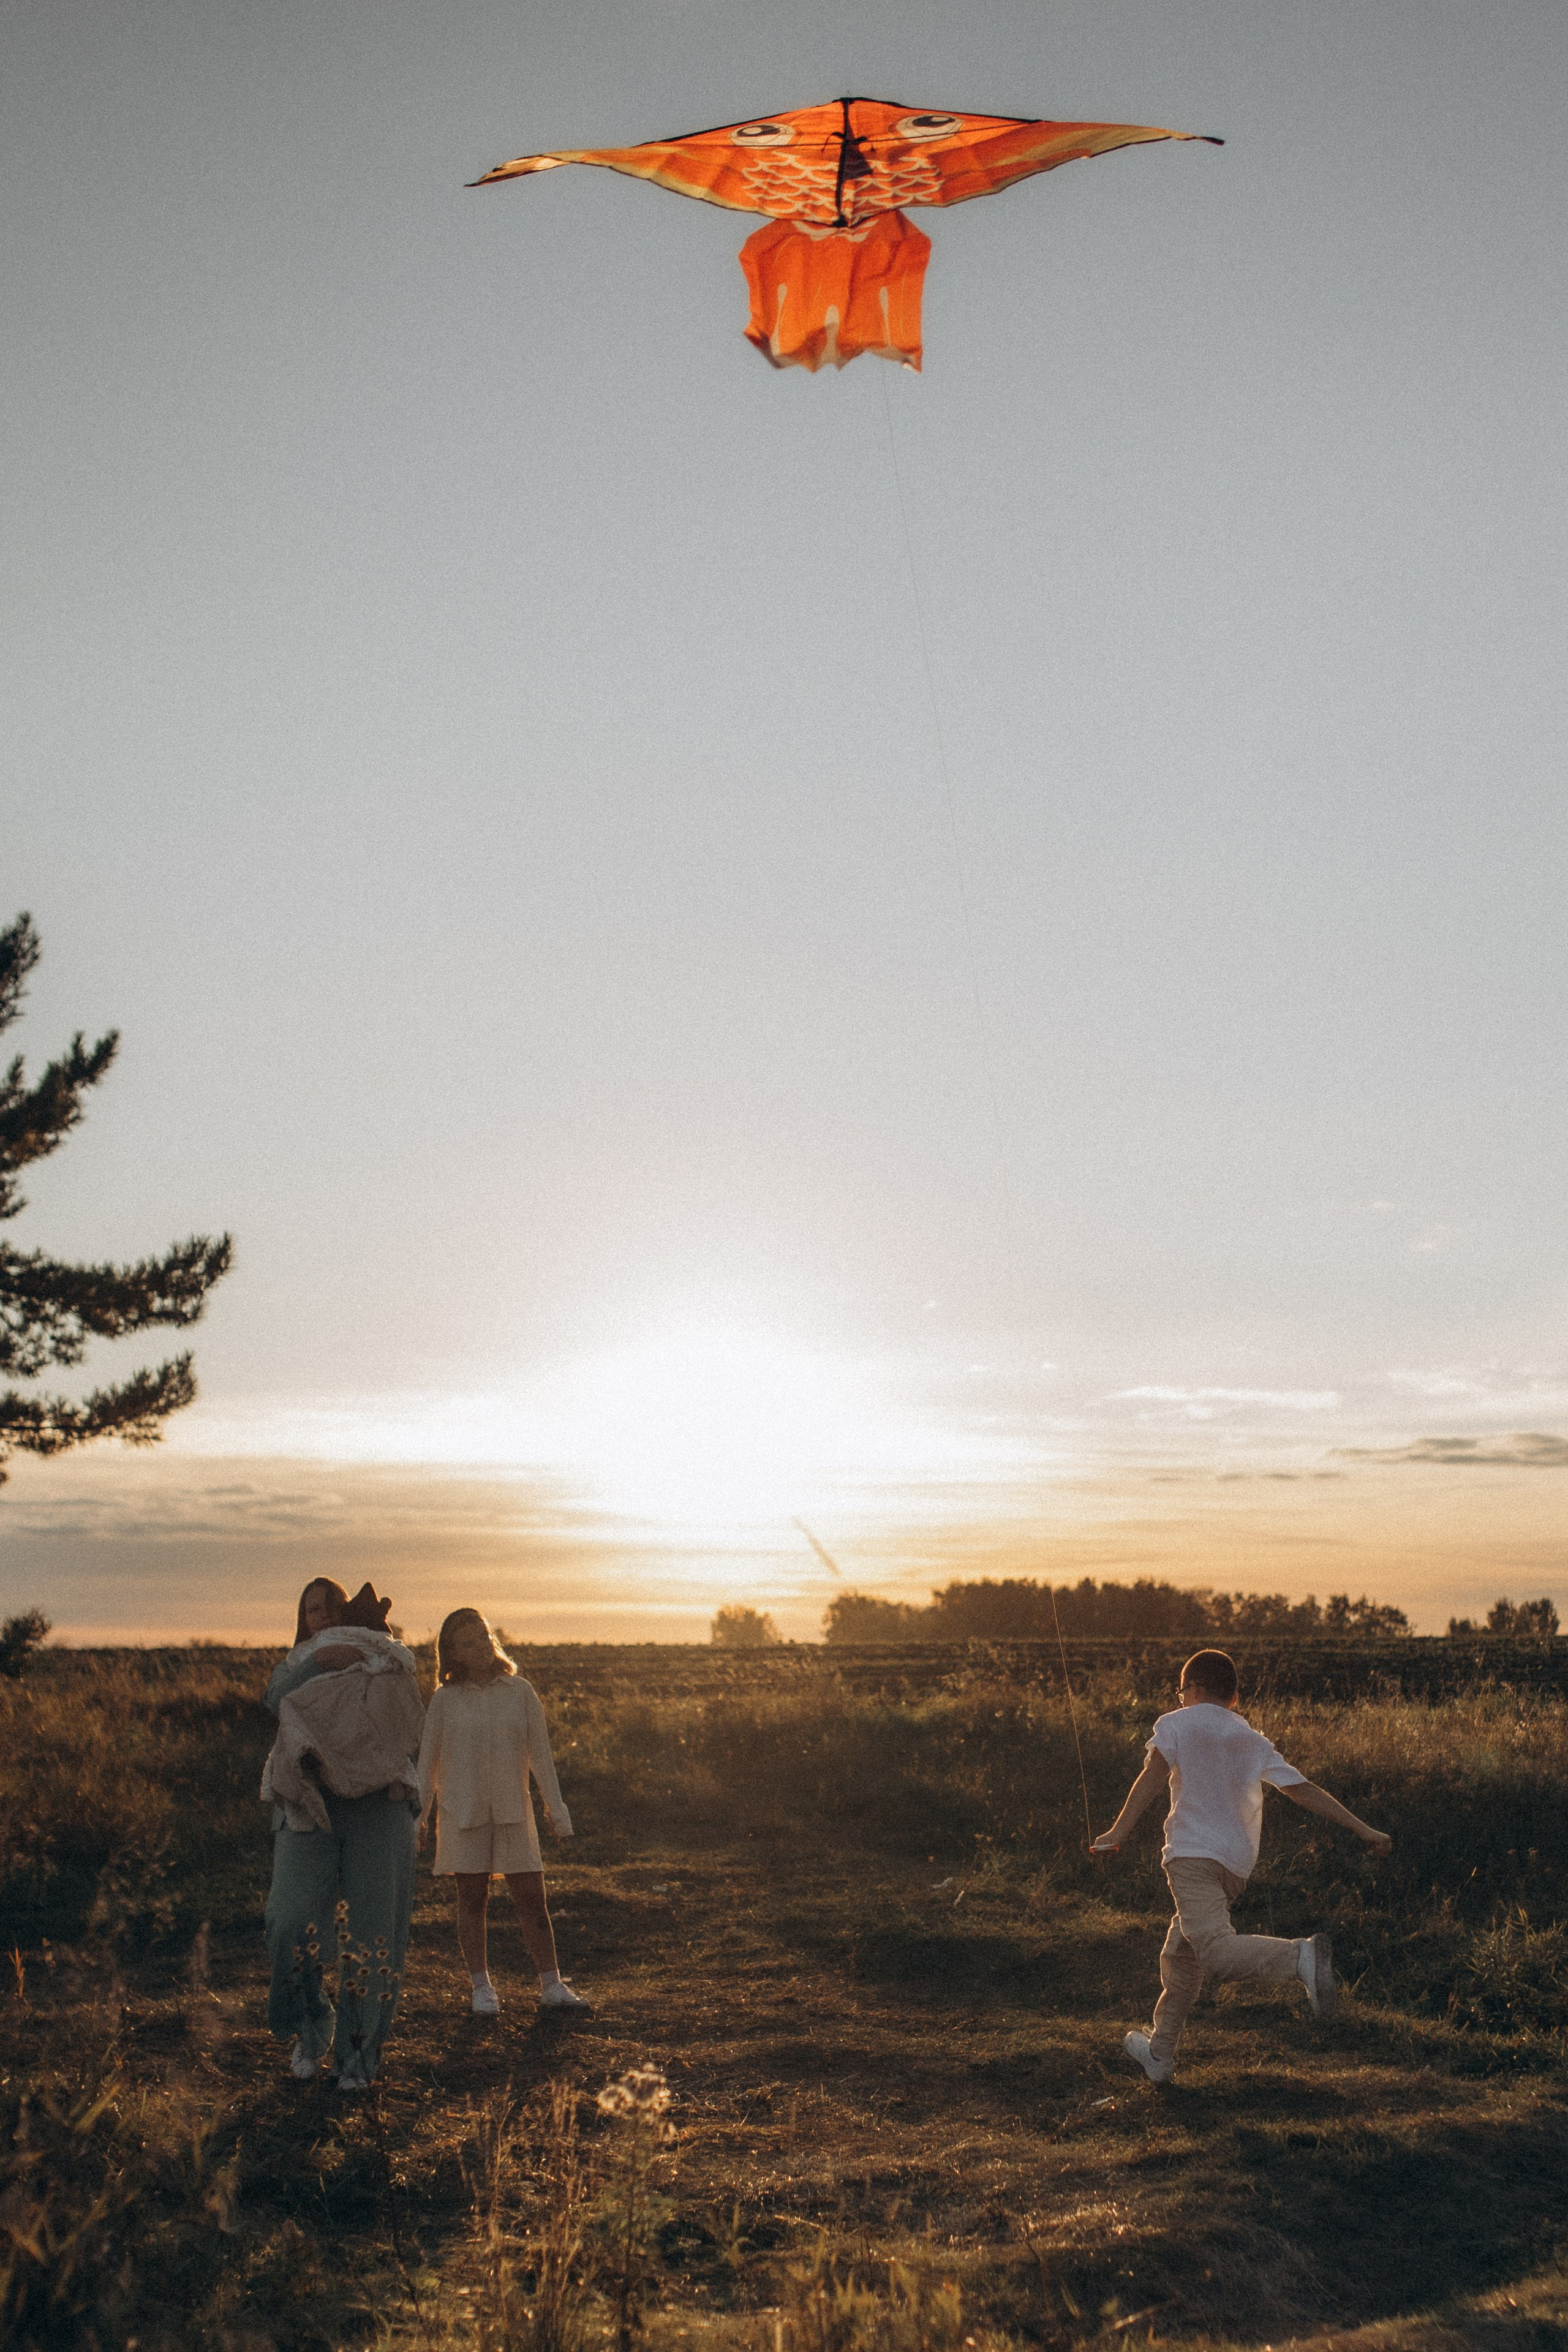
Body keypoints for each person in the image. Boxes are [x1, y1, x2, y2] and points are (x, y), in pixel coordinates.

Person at [1091, 1647, 1392, 2084]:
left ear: (1192, 1690)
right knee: (1182, 1954)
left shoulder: (1176, 1723)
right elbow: (1302, 1790)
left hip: (1192, 1857)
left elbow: (1151, 1779)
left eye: (1181, 1692)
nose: (1180, 1701)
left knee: (1211, 1951)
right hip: (1235, 1867)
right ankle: (1160, 2053)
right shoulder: (1250, 1738)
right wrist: (1364, 1829)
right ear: (1233, 1699)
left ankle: (1299, 1958)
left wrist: (1117, 1833)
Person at [262, 1578, 423, 2089]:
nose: (325, 1616)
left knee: (375, 1936)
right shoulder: (294, 1665)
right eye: (313, 1609)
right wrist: (320, 1662)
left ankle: (359, 2053)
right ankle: (313, 2027)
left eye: (334, 1606)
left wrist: (367, 1658)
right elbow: (274, 1702)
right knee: (290, 1923)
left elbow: (408, 1718)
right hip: (307, 1803)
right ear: (303, 1620)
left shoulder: (389, 1655)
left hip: (380, 1805)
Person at [417, 1607, 587, 2015]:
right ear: (453, 1654)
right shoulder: (445, 1700)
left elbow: (541, 1756)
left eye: (483, 1636)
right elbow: (428, 1763)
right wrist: (418, 1818)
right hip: (463, 1811)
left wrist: (555, 1807)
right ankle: (482, 1988)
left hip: (514, 1809)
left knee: (532, 1898)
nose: (480, 1647)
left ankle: (552, 1985)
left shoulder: (520, 1691)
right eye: (468, 1642)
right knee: (472, 1898)